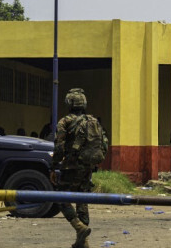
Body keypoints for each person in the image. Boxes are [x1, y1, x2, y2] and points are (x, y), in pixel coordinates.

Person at [52, 88, 103, 248]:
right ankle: (84, 242)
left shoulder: (64, 122)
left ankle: (79, 227)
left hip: (71, 166)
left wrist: (53, 167)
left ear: (68, 103)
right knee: (82, 201)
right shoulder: (92, 121)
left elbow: (59, 147)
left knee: (60, 198)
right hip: (88, 166)